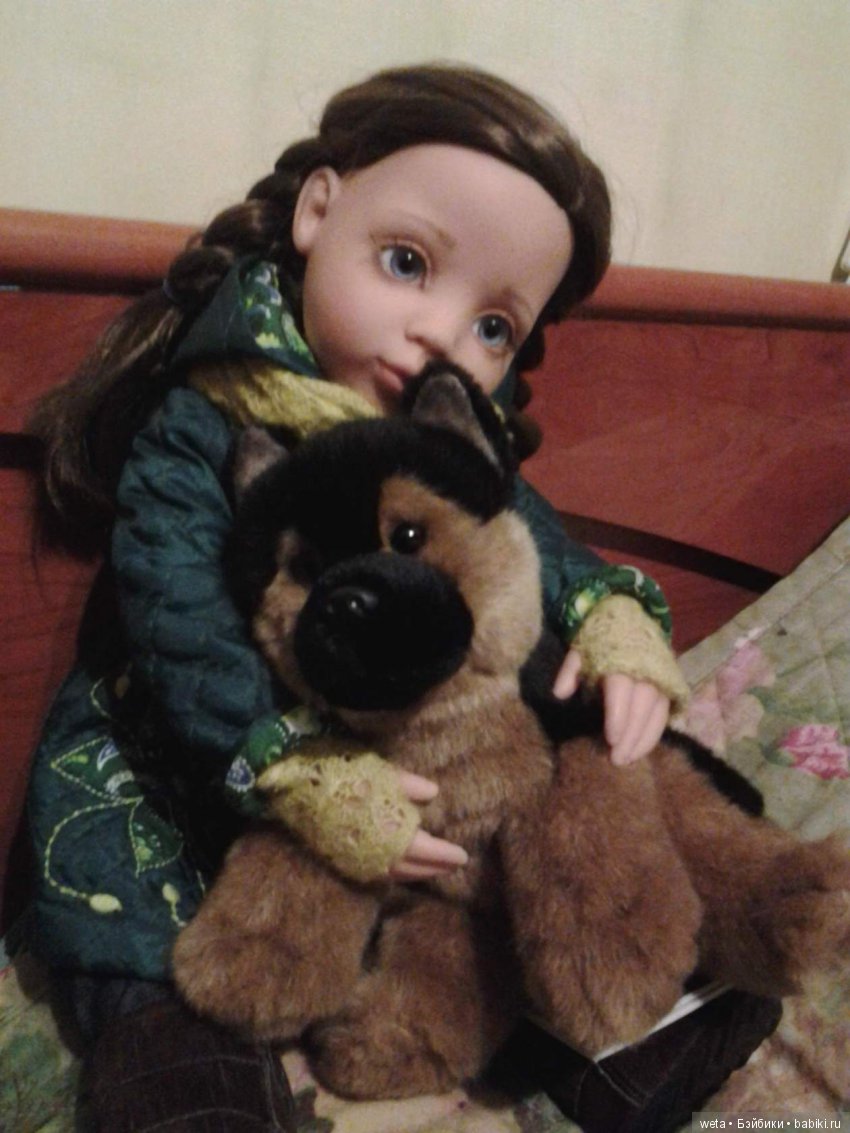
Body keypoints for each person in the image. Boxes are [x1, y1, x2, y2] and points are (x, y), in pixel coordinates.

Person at [24, 63, 777, 1133]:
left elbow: (532, 540)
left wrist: (613, 622)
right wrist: (299, 768)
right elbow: (176, 614)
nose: (440, 333)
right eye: (407, 262)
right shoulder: (201, 425)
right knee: (143, 914)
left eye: (494, 326)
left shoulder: (446, 435)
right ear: (319, 210)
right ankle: (177, 1060)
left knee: (510, 859)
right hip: (202, 756)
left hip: (412, 772)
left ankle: (611, 1034)